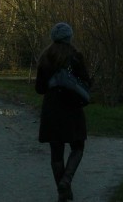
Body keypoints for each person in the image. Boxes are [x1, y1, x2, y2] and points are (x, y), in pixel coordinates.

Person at [35, 22, 91, 201]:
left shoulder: (45, 58)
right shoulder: (76, 57)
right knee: (78, 146)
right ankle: (66, 181)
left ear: (53, 38)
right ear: (69, 38)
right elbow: (86, 83)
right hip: (72, 108)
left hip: (52, 109)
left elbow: (39, 88)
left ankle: (63, 192)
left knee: (56, 153)